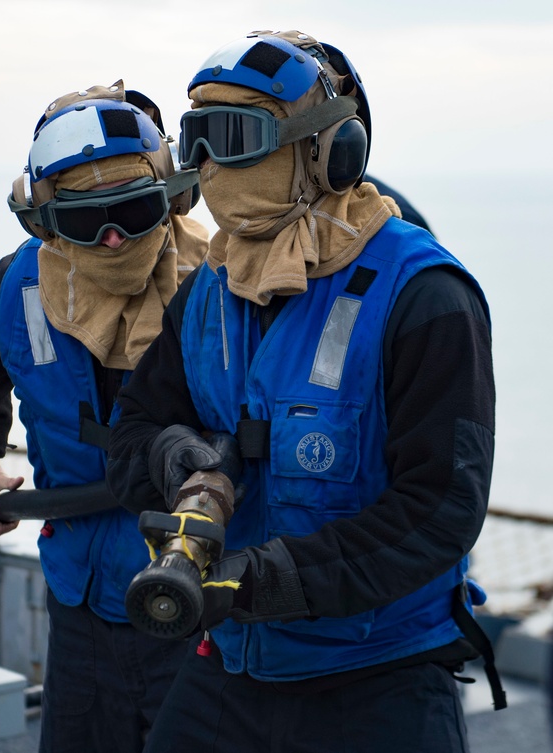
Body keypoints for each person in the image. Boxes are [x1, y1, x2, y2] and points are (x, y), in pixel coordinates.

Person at [106, 31, 502, 752]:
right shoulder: (207, 292)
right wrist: (173, 460)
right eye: (198, 141)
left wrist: (274, 580)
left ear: (330, 150)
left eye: (237, 137)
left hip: (379, 677)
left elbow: (441, 508)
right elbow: (132, 428)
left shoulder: (425, 297)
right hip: (234, 662)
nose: (213, 166)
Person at [0, 81, 209, 752]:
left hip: (196, 597)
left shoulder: (218, 280)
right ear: (44, 220)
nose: (115, 238)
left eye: (131, 209)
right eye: (89, 221)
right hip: (80, 592)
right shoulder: (16, 286)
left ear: (172, 194)